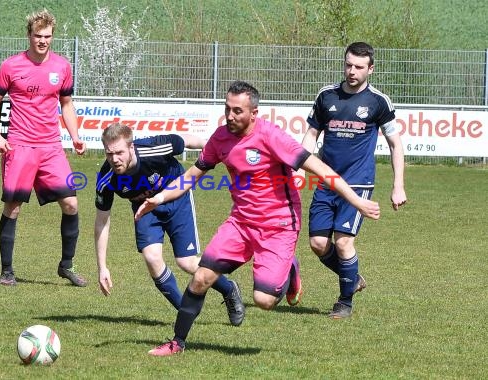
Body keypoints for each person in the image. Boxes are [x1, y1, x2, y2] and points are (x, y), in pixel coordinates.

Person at [135, 80, 381, 356]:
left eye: (237, 111)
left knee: (263, 300)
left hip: (279, 226)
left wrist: (357, 200)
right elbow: (191, 177)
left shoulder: (271, 136)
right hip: (240, 223)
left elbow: (320, 169)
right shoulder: (220, 139)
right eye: (227, 109)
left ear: (254, 113)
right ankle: (177, 342)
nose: (230, 116)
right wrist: (159, 198)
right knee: (201, 277)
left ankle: (290, 268)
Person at [95, 123, 245, 326]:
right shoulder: (106, 178)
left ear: (131, 147)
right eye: (109, 153)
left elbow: (186, 140)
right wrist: (102, 267)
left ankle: (229, 289)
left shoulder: (154, 148)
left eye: (119, 152)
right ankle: (186, 313)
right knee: (151, 257)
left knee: (187, 262)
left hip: (177, 198)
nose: (114, 159)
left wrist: (215, 149)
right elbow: (102, 221)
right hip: (145, 208)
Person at [301, 41, 407, 319]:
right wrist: (300, 168)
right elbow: (311, 135)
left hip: (359, 184)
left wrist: (398, 186)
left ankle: (344, 302)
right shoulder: (326, 97)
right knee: (318, 244)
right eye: (348, 65)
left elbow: (396, 144)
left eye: (359, 67)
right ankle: (354, 278)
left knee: (344, 242)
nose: (352, 71)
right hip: (326, 181)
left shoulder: (378, 102)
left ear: (370, 69)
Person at [0, 9, 87, 287]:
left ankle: (67, 265)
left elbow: (66, 104)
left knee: (71, 203)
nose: (42, 41)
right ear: (29, 35)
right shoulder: (11, 66)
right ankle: (7, 270)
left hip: (51, 147)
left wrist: (75, 135)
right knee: (14, 207)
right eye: (38, 36)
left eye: (47, 36)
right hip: (19, 145)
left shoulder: (62, 67)